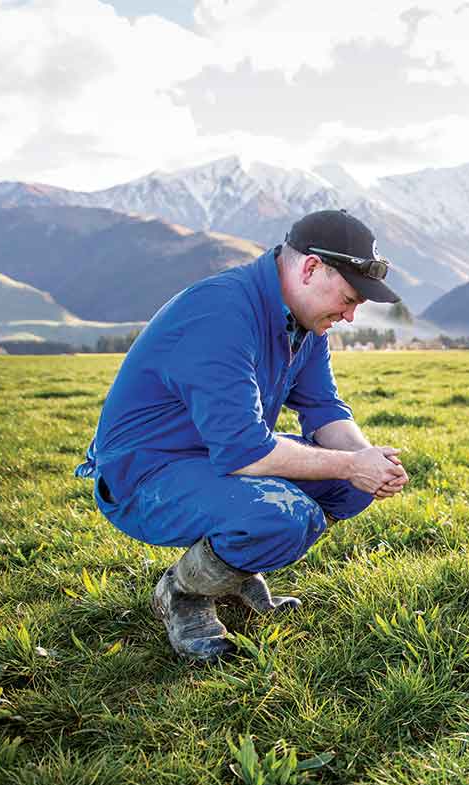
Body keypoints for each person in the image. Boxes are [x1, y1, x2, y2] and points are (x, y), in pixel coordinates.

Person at [76, 210, 410, 661]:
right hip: (146, 476)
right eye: (349, 299)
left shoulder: (303, 324)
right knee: (285, 515)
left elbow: (323, 408)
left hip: (212, 463)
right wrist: (351, 464)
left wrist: (369, 462)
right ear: (311, 269)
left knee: (350, 486)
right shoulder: (220, 314)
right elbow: (245, 452)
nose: (350, 316)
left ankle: (230, 571)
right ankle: (183, 592)